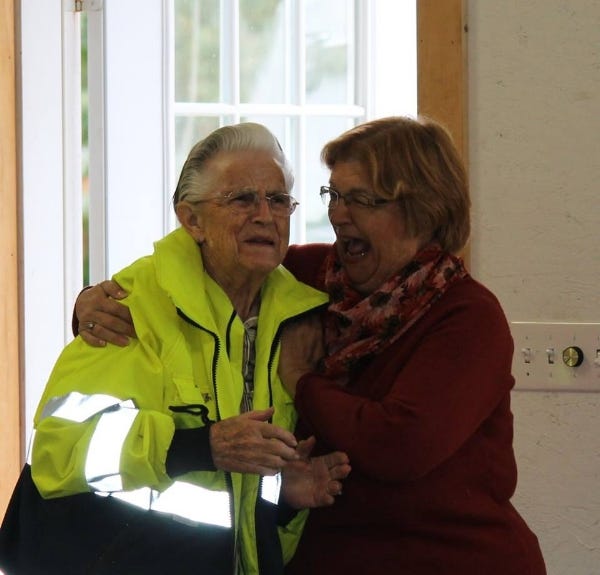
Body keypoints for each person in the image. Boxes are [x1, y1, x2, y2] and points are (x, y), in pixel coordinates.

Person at [71, 116, 547, 574]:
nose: (338, 215)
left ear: (422, 209)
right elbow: (208, 262)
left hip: (448, 561)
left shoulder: (466, 316)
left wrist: (302, 381)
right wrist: (96, 302)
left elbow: (399, 444)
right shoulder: (315, 277)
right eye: (333, 195)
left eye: (361, 199)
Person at [0, 123, 350, 575]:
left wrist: (282, 495)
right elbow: (58, 450)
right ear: (192, 220)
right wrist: (197, 445)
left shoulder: (301, 316)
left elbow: (233, 498)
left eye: (278, 199)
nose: (265, 214)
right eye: (242, 199)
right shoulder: (131, 304)